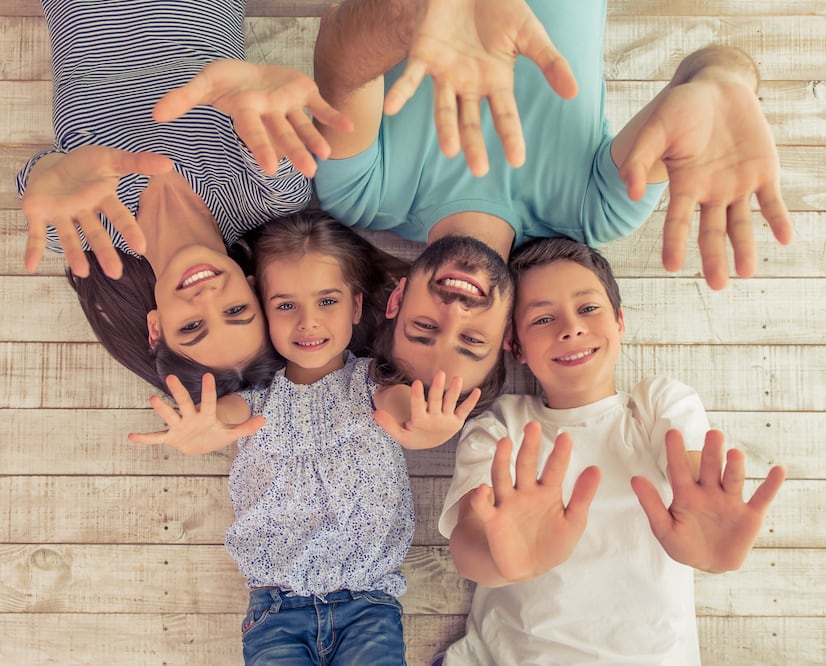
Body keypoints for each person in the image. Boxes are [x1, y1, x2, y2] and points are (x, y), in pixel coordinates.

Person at [304, 0, 792, 407]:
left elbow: (336, 55)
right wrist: (722, 83)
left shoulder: (361, 196)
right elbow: (706, 65)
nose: (455, 312)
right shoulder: (595, 211)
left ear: (395, 300)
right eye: (473, 340)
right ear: (508, 335)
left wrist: (416, 13)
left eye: (425, 327)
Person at [130, 212, 480, 665]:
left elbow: (403, 413)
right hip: (276, 608)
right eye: (285, 305)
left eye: (327, 301)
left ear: (355, 307)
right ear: (262, 310)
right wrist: (205, 429)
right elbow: (227, 419)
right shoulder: (256, 397)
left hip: (367, 604)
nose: (308, 322)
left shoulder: (373, 386)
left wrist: (425, 429)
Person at [433, 236, 786, 664]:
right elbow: (468, 543)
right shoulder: (500, 427)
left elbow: (694, 482)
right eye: (543, 319)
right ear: (516, 346)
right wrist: (503, 562)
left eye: (588, 308)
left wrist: (710, 547)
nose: (571, 328)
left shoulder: (658, 405)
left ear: (619, 321)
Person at [16, 0, 351, 399]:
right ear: (252, 288)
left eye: (191, 327)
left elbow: (42, 182)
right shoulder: (270, 195)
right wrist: (264, 102)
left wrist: (45, 171)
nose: (207, 298)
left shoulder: (87, 229)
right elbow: (267, 126)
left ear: (156, 328)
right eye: (235, 311)